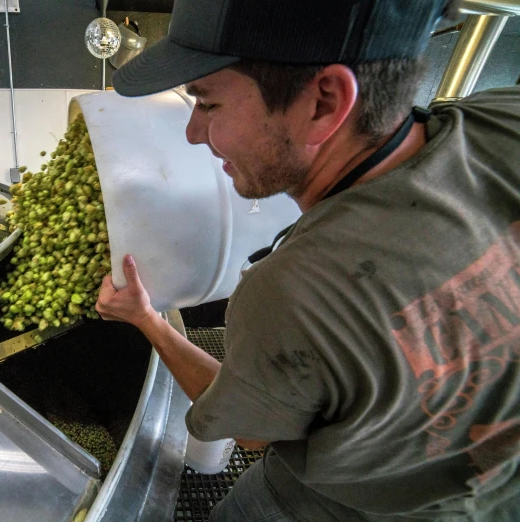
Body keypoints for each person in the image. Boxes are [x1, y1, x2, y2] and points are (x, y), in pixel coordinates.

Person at [95, 0, 520, 520]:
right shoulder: (505, 121)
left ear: (324, 102)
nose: (193, 132)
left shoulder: (291, 293)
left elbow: (249, 429)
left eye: (208, 104)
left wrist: (147, 320)